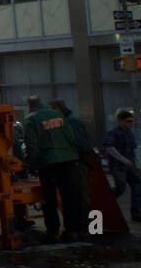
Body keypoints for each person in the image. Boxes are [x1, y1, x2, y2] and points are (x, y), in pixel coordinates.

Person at [23, 95, 82, 241]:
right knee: (68, 196)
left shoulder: (31, 119)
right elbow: (70, 135)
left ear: (30, 106)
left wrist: (30, 163)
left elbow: (32, 145)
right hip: (68, 159)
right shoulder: (58, 114)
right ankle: (72, 230)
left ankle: (53, 231)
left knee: (49, 199)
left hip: (48, 162)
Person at [49, 99, 92, 235]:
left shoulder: (71, 122)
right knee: (76, 195)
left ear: (58, 109)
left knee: (80, 195)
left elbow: (80, 143)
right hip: (75, 162)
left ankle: (84, 226)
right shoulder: (68, 120)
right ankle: (79, 225)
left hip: (77, 162)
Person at [103, 108, 141, 223]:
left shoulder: (130, 133)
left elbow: (133, 150)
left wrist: (137, 165)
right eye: (128, 121)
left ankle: (136, 214)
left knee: (138, 188)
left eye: (132, 121)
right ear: (120, 121)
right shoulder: (114, 133)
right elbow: (109, 148)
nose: (131, 123)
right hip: (118, 166)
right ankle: (103, 203)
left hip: (130, 166)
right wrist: (124, 160)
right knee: (120, 189)